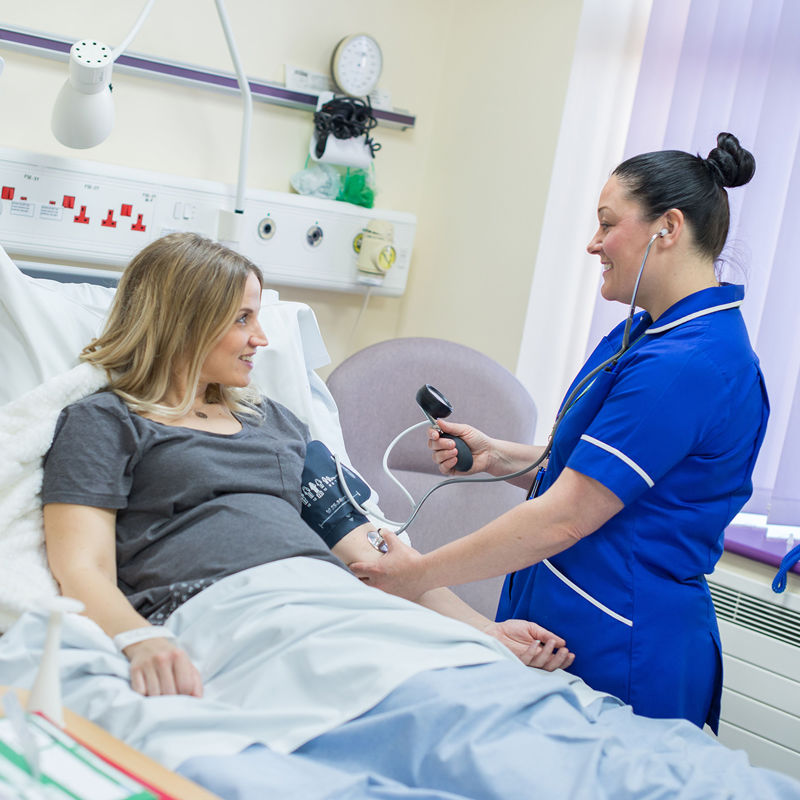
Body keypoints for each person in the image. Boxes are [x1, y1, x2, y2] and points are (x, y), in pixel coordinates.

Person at [351, 132, 768, 733]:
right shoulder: (650, 335)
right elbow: (602, 472)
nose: (593, 244)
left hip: (624, 640)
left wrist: (421, 575)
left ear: (667, 228)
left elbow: (568, 513)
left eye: (607, 224)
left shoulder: (690, 364)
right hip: (568, 616)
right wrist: (500, 458)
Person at [40, 231, 572, 700]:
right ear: (186, 324)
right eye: (243, 319)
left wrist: (486, 631)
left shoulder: (274, 421)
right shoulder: (104, 422)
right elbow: (81, 567)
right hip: (227, 611)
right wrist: (137, 637)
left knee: (479, 688)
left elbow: (370, 547)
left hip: (328, 600)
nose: (262, 339)